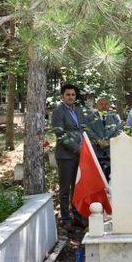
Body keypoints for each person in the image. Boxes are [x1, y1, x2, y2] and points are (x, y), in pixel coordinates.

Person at [51, 84, 85, 230]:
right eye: (68, 94)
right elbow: (60, 134)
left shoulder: (78, 110)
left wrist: (86, 148)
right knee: (65, 189)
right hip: (66, 156)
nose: (70, 97)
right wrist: (77, 149)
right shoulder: (58, 112)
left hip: (81, 155)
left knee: (77, 187)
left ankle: (77, 216)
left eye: (73, 95)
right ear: (62, 96)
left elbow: (83, 129)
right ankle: (65, 219)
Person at [85, 95, 122, 181]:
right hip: (96, 153)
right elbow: (88, 131)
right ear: (96, 105)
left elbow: (119, 130)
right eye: (101, 104)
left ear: (109, 105)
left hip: (111, 153)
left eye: (106, 104)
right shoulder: (89, 117)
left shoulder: (115, 116)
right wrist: (98, 141)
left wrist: (109, 142)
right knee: (97, 181)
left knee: (112, 180)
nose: (103, 106)